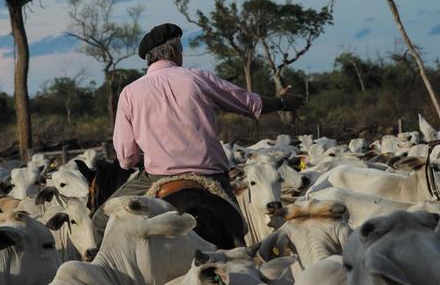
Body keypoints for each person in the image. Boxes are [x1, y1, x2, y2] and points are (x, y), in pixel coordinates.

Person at [92, 23, 303, 239]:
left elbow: (126, 157)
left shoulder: (129, 93)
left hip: (158, 175)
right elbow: (249, 103)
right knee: (238, 231)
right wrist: (282, 102)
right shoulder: (197, 78)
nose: (182, 54)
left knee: (99, 223)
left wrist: (144, 160)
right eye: (181, 49)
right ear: (174, 51)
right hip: (209, 173)